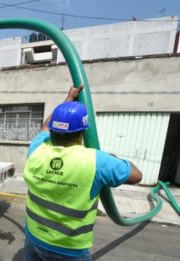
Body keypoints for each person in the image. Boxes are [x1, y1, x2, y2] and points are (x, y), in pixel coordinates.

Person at [23, 86, 143, 261]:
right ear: (82, 132)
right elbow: (137, 175)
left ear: (53, 130)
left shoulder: (36, 150)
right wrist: (112, 157)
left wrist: (68, 98)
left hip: (35, 240)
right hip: (69, 251)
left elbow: (44, 127)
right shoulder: (96, 161)